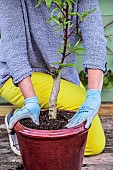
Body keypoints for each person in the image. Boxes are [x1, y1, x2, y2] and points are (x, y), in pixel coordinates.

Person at [0, 0, 107, 156]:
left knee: (94, 144)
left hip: (61, 77)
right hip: (15, 77)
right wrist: (30, 99)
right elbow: (14, 49)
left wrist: (93, 95)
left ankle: (30, 119)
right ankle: (23, 131)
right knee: (87, 142)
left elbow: (95, 38)